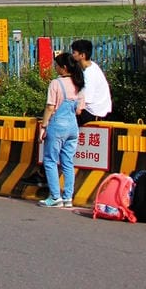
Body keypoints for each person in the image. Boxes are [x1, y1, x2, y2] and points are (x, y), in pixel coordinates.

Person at [38, 52, 86, 208]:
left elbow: (50, 107)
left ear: (63, 68)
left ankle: (55, 197)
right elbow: (79, 110)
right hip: (73, 127)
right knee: (68, 162)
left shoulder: (56, 84)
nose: (55, 68)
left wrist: (43, 126)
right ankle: (68, 198)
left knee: (50, 160)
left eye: (57, 65)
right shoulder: (79, 83)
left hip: (57, 126)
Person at [71, 39, 112, 123]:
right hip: (95, 110)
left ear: (82, 55)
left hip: (92, 112)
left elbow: (86, 100)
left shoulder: (89, 74)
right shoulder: (92, 66)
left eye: (74, 53)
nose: (72, 56)